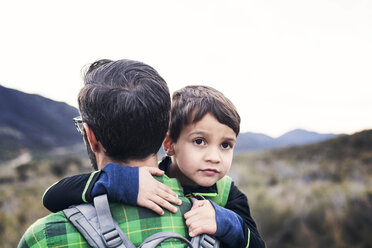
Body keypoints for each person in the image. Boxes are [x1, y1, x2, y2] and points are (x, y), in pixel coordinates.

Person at [42, 85, 266, 247]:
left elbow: (256, 243)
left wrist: (227, 222)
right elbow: (52, 197)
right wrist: (119, 181)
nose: (215, 157)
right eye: (200, 141)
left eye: (226, 145)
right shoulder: (147, 178)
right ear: (169, 144)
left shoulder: (227, 193)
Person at [18, 59, 193, 248]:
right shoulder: (213, 219)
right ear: (165, 132)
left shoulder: (43, 238)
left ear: (91, 136)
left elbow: (50, 197)